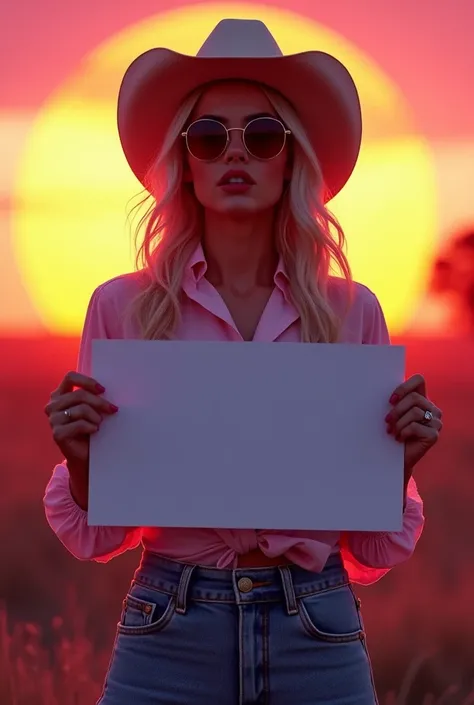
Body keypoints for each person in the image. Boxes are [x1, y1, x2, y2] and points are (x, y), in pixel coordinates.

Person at [43, 19, 443, 705]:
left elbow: (371, 551)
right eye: (208, 137)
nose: (236, 153)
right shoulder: (121, 309)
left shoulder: (355, 314)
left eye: (261, 136)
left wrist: (399, 460)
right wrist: (82, 459)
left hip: (316, 625)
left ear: (290, 158)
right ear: (186, 162)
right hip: (167, 624)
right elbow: (99, 535)